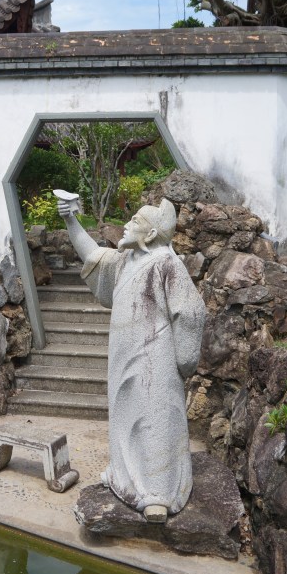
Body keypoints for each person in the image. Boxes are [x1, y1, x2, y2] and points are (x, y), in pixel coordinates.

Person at [56, 193, 206, 522]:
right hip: (123, 357)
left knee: (155, 418)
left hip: (157, 359)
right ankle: (126, 478)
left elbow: (191, 312)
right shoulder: (128, 260)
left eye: (135, 221)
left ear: (151, 234)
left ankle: (158, 493)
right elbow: (94, 255)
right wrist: (70, 220)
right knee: (126, 418)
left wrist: (184, 361)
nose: (126, 224)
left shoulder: (167, 263)